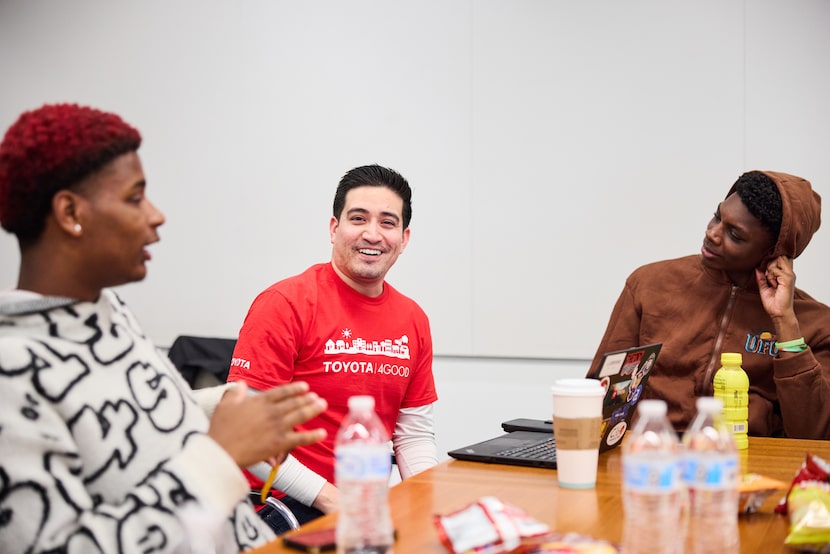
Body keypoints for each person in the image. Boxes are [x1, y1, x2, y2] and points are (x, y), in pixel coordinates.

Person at [0, 103, 328, 553]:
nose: (157, 215)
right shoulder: (11, 372)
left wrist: (223, 406)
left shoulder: (107, 309)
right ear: (70, 212)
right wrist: (222, 456)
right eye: (135, 198)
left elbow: (127, 420)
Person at [228, 164, 438, 531]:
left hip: (360, 503)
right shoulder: (285, 303)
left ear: (404, 239)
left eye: (387, 223)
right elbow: (246, 435)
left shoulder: (413, 318)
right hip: (278, 503)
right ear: (334, 228)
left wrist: (429, 500)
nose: (372, 234)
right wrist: (331, 500)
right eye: (358, 218)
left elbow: (413, 434)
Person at [590, 170, 830, 439]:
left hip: (747, 461)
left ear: (773, 253)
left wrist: (785, 322)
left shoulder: (816, 324)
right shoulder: (648, 285)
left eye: (735, 235)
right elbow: (601, 395)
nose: (712, 233)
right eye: (718, 216)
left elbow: (814, 434)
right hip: (653, 456)